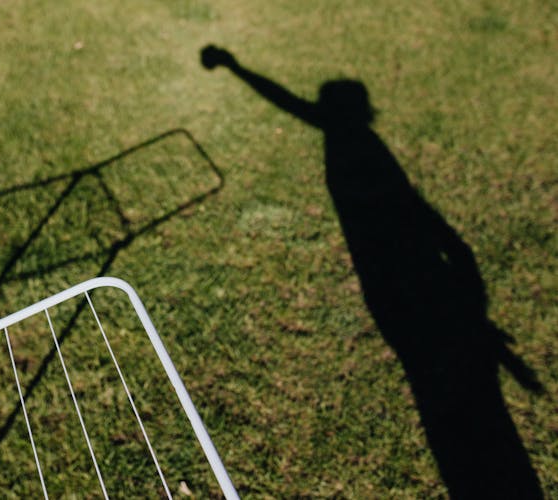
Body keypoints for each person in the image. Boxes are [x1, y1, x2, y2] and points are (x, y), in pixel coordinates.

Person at [201, 44, 543, 499]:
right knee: (459, 401)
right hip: (412, 281)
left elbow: (420, 214)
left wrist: (235, 67)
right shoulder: (350, 136)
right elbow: (428, 219)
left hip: (399, 282)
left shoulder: (348, 139)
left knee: (449, 402)